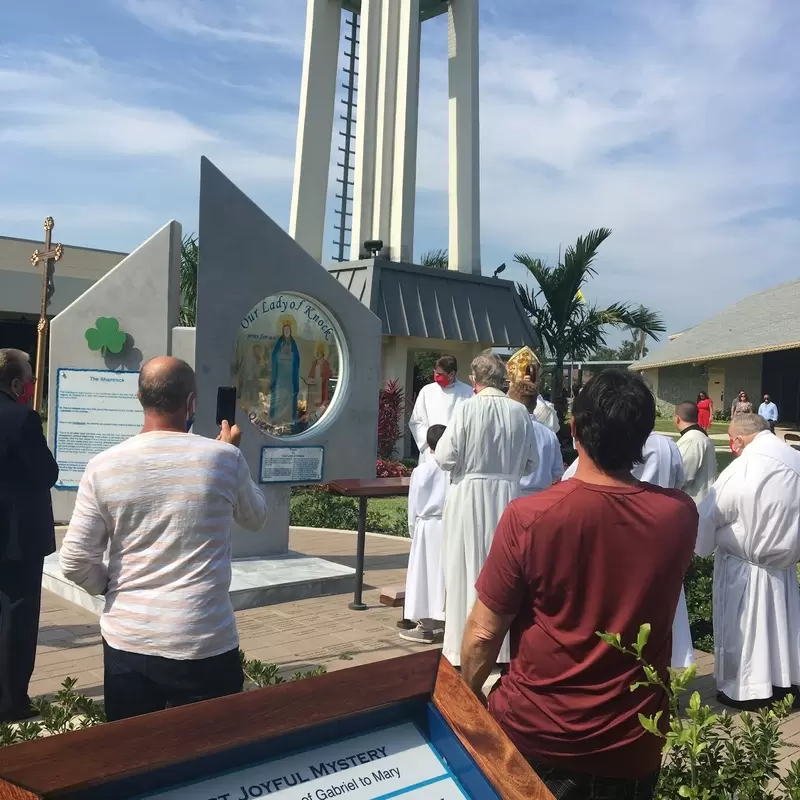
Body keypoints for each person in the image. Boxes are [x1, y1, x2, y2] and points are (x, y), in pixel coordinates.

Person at [460, 370, 697, 799]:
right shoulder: (678, 516)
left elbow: (482, 632)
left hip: (540, 734)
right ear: (645, 437)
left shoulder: (531, 516)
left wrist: (469, 696)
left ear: (574, 429)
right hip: (632, 739)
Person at [59, 357, 269, 722]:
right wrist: (232, 449)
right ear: (191, 402)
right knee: (210, 754)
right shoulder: (223, 459)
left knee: (132, 758)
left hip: (128, 640)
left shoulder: (103, 465)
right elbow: (256, 518)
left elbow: (75, 560)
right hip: (204, 637)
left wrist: (112, 587)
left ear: (140, 397)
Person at [434, 352, 538, 667]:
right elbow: (531, 462)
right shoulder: (520, 413)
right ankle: (503, 646)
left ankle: (461, 646)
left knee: (464, 565)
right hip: (508, 496)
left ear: (474, 380)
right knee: (505, 571)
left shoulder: (467, 409)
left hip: (468, 494)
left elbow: (444, 457)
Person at [563, 427, 693, 668]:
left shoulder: (624, 443)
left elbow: (573, 479)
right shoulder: (669, 445)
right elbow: (679, 482)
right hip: (659, 528)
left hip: (623, 527)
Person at [696, 413, 800, 709]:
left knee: (748, 630)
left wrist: (707, 543)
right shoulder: (795, 460)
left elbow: (709, 515)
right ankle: (785, 681)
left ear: (738, 440)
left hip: (746, 568)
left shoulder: (743, 468)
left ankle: (745, 689)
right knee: (782, 625)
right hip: (783, 568)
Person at [0, 349, 59, 722]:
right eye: (32, 380)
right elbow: (46, 473)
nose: (33, 386)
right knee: (17, 622)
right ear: (18, 384)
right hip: (16, 538)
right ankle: (12, 703)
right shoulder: (22, 418)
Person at [400, 424, 447, 645]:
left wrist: (413, 530)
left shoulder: (421, 471)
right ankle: (446, 621)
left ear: (428, 445)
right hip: (448, 525)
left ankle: (425, 626)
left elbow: (413, 505)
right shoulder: (453, 469)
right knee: (444, 576)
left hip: (426, 526)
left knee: (424, 577)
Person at [408, 355, 473, 464]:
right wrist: (431, 440)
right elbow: (416, 421)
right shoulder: (427, 391)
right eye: (435, 373)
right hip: (430, 451)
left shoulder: (468, 392)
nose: (436, 376)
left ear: (452, 374)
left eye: (440, 374)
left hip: (455, 451)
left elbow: (471, 423)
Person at [507, 380, 564, 493]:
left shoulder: (506, 430)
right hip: (541, 497)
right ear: (535, 404)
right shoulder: (549, 433)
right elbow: (557, 472)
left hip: (512, 495)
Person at [674, 401, 718, 503]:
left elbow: (682, 475)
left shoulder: (692, 439)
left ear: (677, 419)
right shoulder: (698, 436)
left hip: (695, 502)